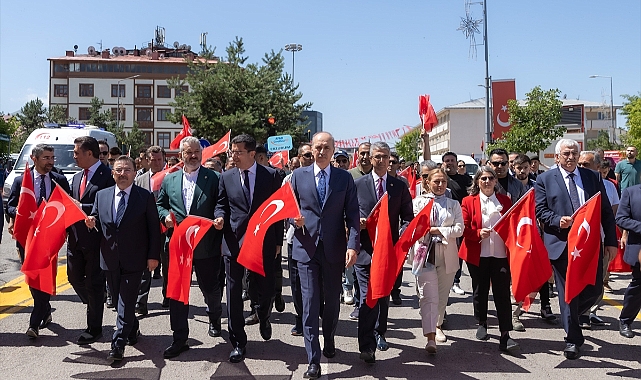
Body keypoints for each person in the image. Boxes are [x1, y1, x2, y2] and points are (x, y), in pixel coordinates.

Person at [535, 139, 617, 360]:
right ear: (557, 156)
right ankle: (573, 338)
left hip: (589, 245)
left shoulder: (592, 177)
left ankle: (571, 314)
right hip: (561, 244)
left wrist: (611, 241)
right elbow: (540, 210)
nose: (570, 157)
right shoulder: (544, 179)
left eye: (574, 153)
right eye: (566, 153)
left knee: (594, 289)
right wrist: (556, 220)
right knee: (568, 292)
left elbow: (606, 211)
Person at [290, 131, 360, 379]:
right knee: (309, 305)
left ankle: (329, 338)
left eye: (325, 148)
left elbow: (352, 215)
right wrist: (293, 219)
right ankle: (313, 360)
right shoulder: (298, 176)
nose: (320, 152)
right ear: (311, 149)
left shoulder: (343, 179)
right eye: (316, 148)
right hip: (305, 249)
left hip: (334, 250)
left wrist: (353, 245)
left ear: (333, 150)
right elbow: (289, 207)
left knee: (331, 303)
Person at [214, 134, 283, 363]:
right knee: (233, 293)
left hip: (262, 241)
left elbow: (277, 211)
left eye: (238, 152)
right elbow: (221, 204)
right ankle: (238, 342)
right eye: (232, 152)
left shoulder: (272, 176)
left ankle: (263, 315)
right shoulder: (226, 177)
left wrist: (278, 242)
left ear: (252, 154)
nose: (233, 156)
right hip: (233, 241)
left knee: (266, 288)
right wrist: (220, 217)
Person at [85, 156, 160, 361]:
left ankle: (117, 344)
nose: (122, 173)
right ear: (112, 173)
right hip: (109, 259)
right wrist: (92, 221)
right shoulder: (102, 195)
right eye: (118, 170)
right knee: (119, 301)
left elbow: (154, 229)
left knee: (126, 303)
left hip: (135, 260)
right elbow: (98, 220)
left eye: (127, 170)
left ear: (135, 173)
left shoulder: (144, 197)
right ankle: (132, 328)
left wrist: (154, 256)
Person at [156, 136, 224, 359]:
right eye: (188, 152)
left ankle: (214, 317)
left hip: (207, 245)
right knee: (177, 294)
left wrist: (219, 217)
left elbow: (221, 204)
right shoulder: (169, 179)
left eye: (197, 152)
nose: (193, 156)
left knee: (211, 290)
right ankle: (179, 338)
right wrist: (165, 216)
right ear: (180, 155)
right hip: (178, 246)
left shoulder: (214, 178)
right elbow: (161, 204)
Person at [354, 141, 413, 363]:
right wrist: (355, 222)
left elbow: (408, 217)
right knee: (367, 296)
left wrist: (402, 235)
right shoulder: (358, 185)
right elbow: (347, 213)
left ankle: (380, 332)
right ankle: (366, 345)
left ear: (390, 160)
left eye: (384, 157)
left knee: (383, 296)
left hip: (389, 251)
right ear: (369, 158)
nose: (380, 160)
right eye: (376, 156)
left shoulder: (398, 187)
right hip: (365, 251)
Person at [6, 144, 71, 339]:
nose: (51, 162)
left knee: (44, 275)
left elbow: (67, 204)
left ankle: (34, 324)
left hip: (49, 238)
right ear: (34, 158)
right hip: (27, 237)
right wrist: (20, 214)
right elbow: (10, 206)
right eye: (46, 158)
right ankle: (45, 309)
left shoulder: (59, 180)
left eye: (52, 158)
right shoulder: (21, 181)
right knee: (33, 277)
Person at [459, 166, 520, 353]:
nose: (487, 181)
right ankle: (482, 321)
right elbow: (463, 228)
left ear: (495, 181)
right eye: (483, 178)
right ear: (477, 181)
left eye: (490, 178)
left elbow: (513, 223)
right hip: (478, 254)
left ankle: (505, 334)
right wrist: (478, 233)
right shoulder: (468, 201)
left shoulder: (505, 200)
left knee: (502, 293)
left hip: (500, 254)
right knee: (480, 290)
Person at [67, 136, 115, 345]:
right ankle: (96, 305)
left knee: (94, 284)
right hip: (75, 239)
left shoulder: (108, 176)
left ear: (89, 153)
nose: (74, 156)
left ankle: (94, 328)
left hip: (97, 240)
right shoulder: (77, 177)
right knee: (74, 278)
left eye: (77, 152)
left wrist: (82, 208)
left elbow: (110, 206)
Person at [411, 167, 463, 353]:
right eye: (436, 182)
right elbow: (415, 228)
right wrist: (427, 232)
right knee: (427, 295)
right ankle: (430, 335)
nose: (440, 185)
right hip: (425, 253)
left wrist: (439, 231)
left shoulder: (453, 204)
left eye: (443, 182)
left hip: (446, 253)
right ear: (428, 183)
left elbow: (459, 229)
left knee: (442, 295)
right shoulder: (418, 203)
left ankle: (438, 323)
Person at [577, 151, 619, 328]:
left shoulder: (609, 187)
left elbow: (611, 213)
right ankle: (579, 313)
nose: (581, 167)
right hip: (577, 241)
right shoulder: (575, 182)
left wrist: (611, 240)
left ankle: (590, 311)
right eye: (580, 164)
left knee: (597, 280)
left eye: (586, 164)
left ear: (597, 167)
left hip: (598, 239)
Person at [512, 154, 556, 322]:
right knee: (519, 272)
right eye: (518, 168)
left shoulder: (538, 186)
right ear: (514, 168)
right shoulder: (509, 187)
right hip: (517, 235)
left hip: (537, 233)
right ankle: (517, 307)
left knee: (542, 270)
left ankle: (545, 306)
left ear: (531, 167)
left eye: (525, 167)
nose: (522, 171)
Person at [284, 143, 314, 336]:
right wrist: (293, 221)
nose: (310, 158)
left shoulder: (322, 177)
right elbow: (284, 207)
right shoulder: (290, 179)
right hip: (295, 239)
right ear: (299, 157)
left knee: (314, 283)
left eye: (312, 155)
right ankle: (300, 318)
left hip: (317, 240)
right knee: (296, 284)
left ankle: (314, 314)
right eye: (306, 155)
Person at [133, 146, 166, 313]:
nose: (157, 163)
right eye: (153, 160)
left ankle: (168, 295)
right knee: (145, 266)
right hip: (145, 229)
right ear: (147, 160)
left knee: (166, 264)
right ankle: (141, 301)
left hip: (167, 229)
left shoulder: (171, 177)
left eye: (159, 159)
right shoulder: (140, 180)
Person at [615, 183, 641, 338]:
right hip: (639, 248)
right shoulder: (631, 193)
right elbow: (621, 219)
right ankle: (625, 320)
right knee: (638, 287)